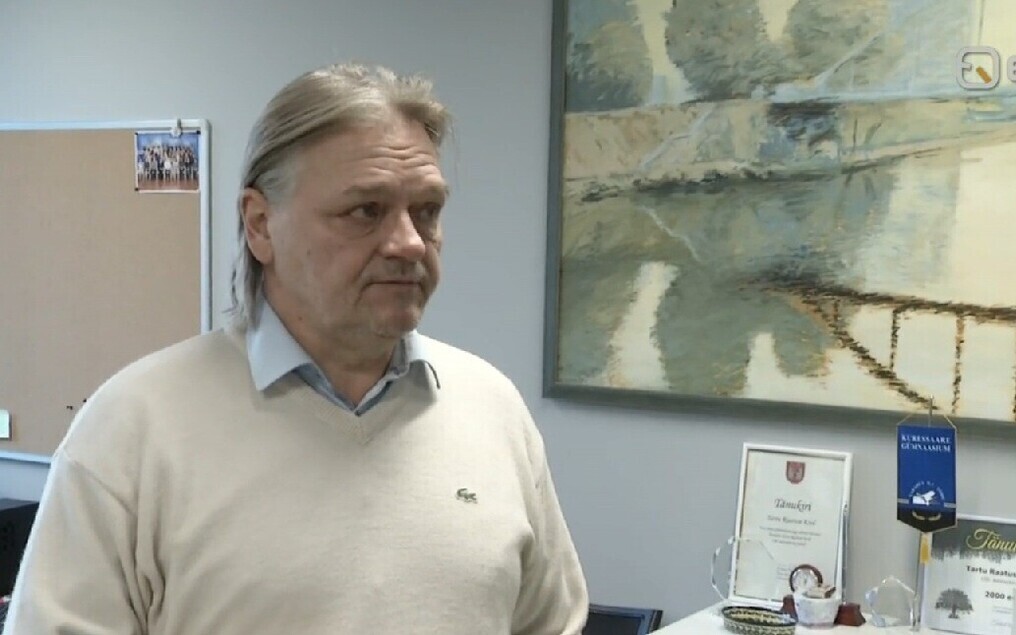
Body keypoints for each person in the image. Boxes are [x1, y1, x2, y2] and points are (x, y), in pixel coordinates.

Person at [3, 63, 588, 634]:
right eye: (366, 211)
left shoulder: (492, 410)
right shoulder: (133, 430)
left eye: (427, 211)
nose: (410, 243)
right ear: (260, 224)